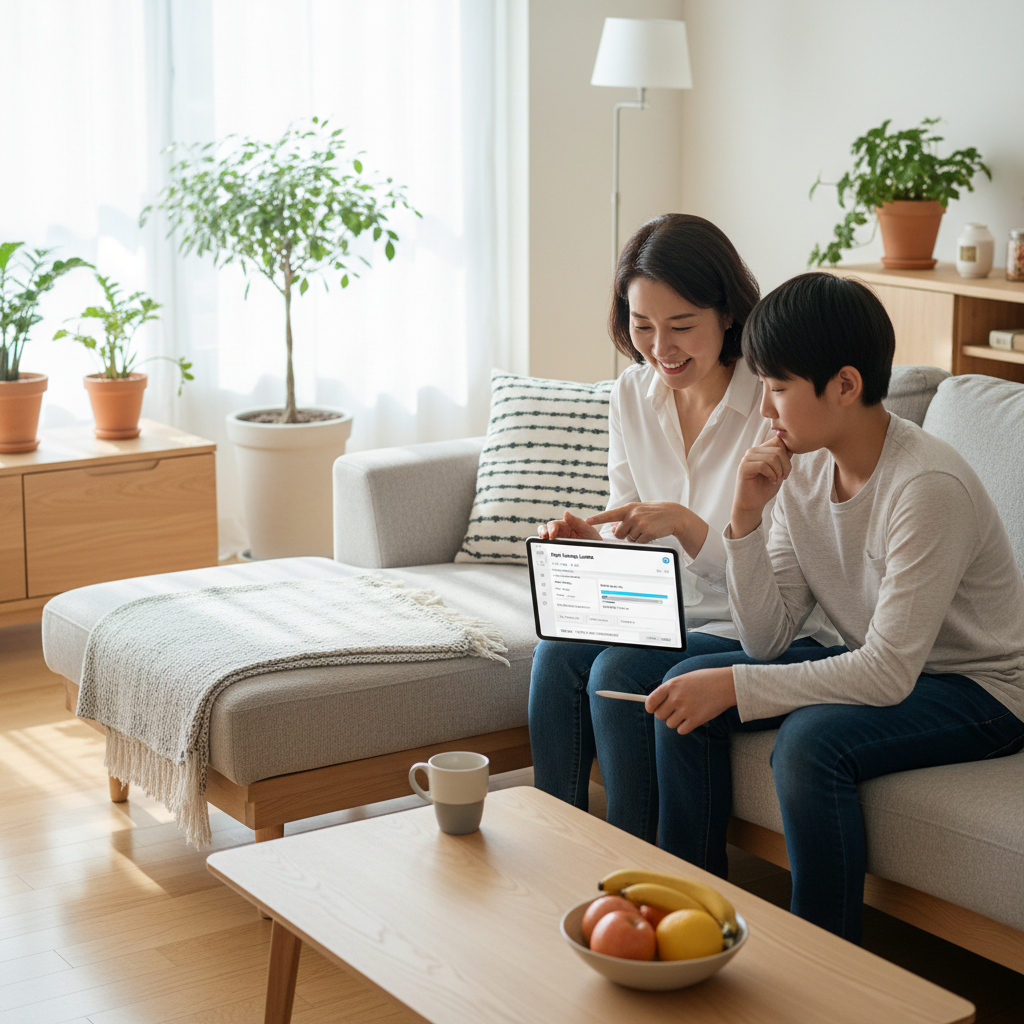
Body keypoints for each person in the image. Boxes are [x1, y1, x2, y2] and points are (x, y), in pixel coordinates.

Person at [646, 272, 1024, 943]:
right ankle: (690, 927)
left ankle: (823, 970)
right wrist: (745, 520)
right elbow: (766, 638)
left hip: (981, 688)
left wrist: (732, 685)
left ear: (845, 386)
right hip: (893, 666)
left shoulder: (925, 487)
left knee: (811, 743)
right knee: (682, 692)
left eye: (780, 387)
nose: (765, 410)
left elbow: (885, 675)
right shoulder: (800, 468)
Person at [528, 215, 838, 843]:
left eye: (681, 327)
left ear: (726, 314)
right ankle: (553, 841)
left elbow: (785, 574)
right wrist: (596, 544)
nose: (661, 349)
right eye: (642, 327)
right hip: (665, 608)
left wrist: (690, 527)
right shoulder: (631, 395)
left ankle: (636, 866)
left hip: (756, 622)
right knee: (555, 654)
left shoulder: (775, 403)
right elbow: (633, 524)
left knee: (618, 670)